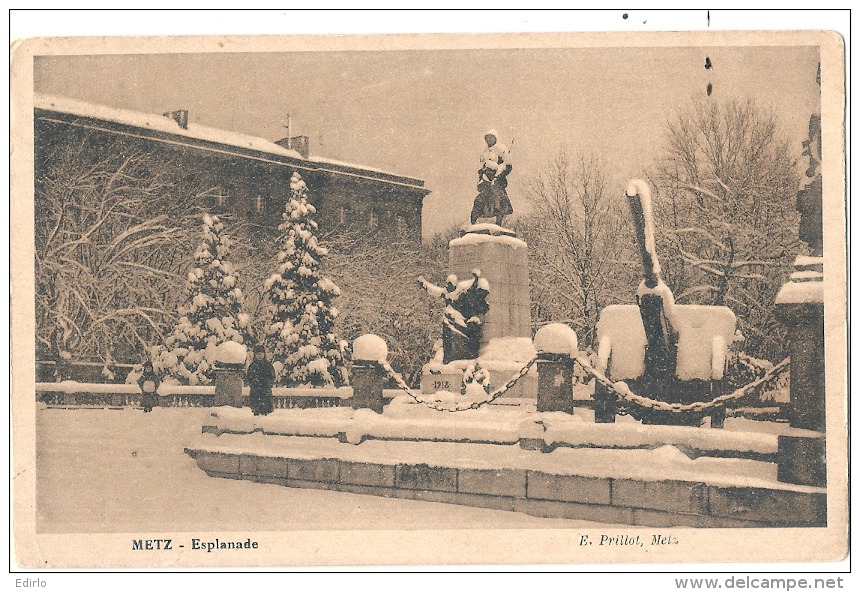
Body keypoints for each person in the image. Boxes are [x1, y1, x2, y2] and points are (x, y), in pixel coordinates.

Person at [470, 129, 513, 226]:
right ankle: (473, 224)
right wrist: (481, 178)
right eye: (487, 137)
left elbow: (508, 165)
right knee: (478, 201)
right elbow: (481, 168)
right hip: (485, 182)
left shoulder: (501, 149)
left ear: (495, 138)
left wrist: (499, 175)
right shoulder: (484, 153)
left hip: (497, 182)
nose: (489, 139)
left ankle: (498, 225)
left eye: (491, 137)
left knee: (499, 202)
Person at [247, 344, 275, 416]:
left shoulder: (268, 365)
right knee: (256, 410)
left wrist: (268, 384)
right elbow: (249, 377)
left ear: (264, 354)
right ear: (255, 355)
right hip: (255, 390)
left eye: (261, 354)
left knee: (265, 411)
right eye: (258, 354)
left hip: (265, 390)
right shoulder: (252, 366)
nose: (260, 356)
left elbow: (272, 377)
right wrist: (253, 384)